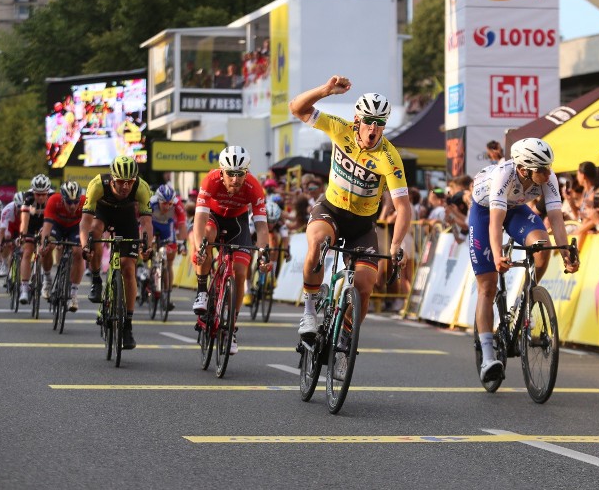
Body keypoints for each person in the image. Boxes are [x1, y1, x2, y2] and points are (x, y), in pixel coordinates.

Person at [289, 75, 411, 349]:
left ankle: (344, 333)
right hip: (330, 209)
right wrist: (325, 90)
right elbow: (296, 108)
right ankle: (309, 312)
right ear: (357, 120)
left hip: (362, 225)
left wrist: (395, 245)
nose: (373, 130)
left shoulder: (389, 157)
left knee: (366, 286)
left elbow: (403, 207)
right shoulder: (339, 128)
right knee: (318, 243)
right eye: (369, 121)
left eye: (380, 124)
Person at [469, 138, 580, 382]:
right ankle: (488, 356)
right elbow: (495, 222)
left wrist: (565, 254)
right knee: (487, 286)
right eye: (541, 169)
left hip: (516, 209)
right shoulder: (504, 175)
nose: (548, 172)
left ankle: (525, 298)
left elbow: (556, 218)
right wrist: (498, 256)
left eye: (548, 167)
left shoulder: (547, 177)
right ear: (523, 169)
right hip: (485, 211)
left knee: (542, 246)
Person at [192, 146, 271, 354]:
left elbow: (262, 226)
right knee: (206, 236)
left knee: (240, 272)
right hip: (214, 218)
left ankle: (231, 327)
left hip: (238, 222)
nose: (235, 180)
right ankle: (202, 292)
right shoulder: (210, 180)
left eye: (240, 174)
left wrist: (264, 253)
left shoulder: (254, 187)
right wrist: (199, 247)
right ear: (221, 171)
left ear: (247, 172)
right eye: (230, 174)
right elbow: (199, 219)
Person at [80, 156, 155, 350]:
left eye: (129, 182)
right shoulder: (97, 184)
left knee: (128, 268)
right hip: (103, 213)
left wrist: (146, 245)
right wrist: (85, 245)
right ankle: (96, 280)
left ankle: (127, 325)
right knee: (95, 231)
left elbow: (146, 223)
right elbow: (85, 222)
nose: (125, 186)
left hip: (127, 218)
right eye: (121, 181)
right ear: (112, 179)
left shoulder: (141, 187)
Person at [40, 181, 85, 311]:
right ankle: (47, 279)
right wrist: (44, 244)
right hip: (57, 226)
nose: (73, 206)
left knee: (78, 252)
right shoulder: (54, 200)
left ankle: (74, 294)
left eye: (76, 202)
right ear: (62, 199)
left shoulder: (85, 202)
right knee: (49, 246)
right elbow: (47, 225)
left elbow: (88, 226)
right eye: (69, 202)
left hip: (75, 228)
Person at [150, 184, 188, 309]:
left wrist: (183, 243)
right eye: (164, 203)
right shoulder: (151, 202)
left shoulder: (177, 205)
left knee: (168, 263)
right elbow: (143, 223)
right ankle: (147, 272)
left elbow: (182, 225)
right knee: (150, 250)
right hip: (153, 226)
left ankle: (167, 295)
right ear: (158, 200)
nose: (167, 206)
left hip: (167, 228)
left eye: (169, 204)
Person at [18, 174, 53, 305]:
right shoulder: (27, 198)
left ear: (48, 192)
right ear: (33, 192)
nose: (40, 197)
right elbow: (24, 221)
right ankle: (25, 289)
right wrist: (23, 235)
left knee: (48, 248)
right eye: (37, 194)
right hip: (31, 224)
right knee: (27, 252)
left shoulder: (52, 198)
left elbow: (53, 221)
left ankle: (47, 276)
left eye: (43, 194)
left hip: (46, 223)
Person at [0, 191, 25, 277]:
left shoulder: (29, 209)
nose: (21, 210)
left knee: (23, 248)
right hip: (10, 227)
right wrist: (0, 244)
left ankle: (16, 274)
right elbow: (2, 230)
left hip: (23, 226)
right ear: (15, 204)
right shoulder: (7, 210)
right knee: (7, 239)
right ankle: (4, 263)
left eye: (23, 208)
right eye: (19, 207)